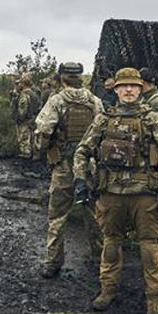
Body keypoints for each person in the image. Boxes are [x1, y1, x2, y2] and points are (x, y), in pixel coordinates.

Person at [73, 67, 158, 314]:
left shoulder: (153, 118)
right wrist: (80, 180)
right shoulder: (103, 119)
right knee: (111, 243)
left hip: (144, 193)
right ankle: (107, 289)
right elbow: (81, 151)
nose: (129, 90)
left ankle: (154, 297)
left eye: (134, 86)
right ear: (116, 89)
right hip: (111, 193)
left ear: (141, 88)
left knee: (149, 246)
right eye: (124, 86)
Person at [34, 62, 104, 278]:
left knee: (57, 215)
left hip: (64, 165)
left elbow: (44, 130)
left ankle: (54, 262)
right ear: (81, 77)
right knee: (94, 213)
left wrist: (43, 151)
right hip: (89, 165)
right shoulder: (95, 101)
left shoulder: (56, 101)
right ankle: (101, 258)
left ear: (62, 78)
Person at [16, 73, 39, 159]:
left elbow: (22, 110)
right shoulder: (34, 94)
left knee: (24, 137)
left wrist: (19, 118)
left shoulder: (24, 95)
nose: (19, 85)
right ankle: (34, 153)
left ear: (23, 84)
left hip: (25, 119)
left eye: (20, 83)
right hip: (33, 117)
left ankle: (26, 153)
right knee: (32, 136)